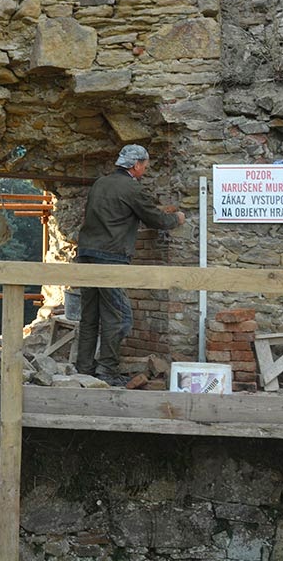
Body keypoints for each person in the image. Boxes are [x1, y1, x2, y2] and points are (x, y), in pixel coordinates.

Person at [74, 144, 185, 386]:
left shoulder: (100, 183)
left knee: (90, 315)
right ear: (136, 165)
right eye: (145, 165)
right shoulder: (131, 187)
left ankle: (84, 368)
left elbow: (114, 213)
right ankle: (106, 371)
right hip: (111, 257)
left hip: (86, 255)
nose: (145, 169)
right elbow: (154, 218)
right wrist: (175, 219)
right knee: (119, 316)